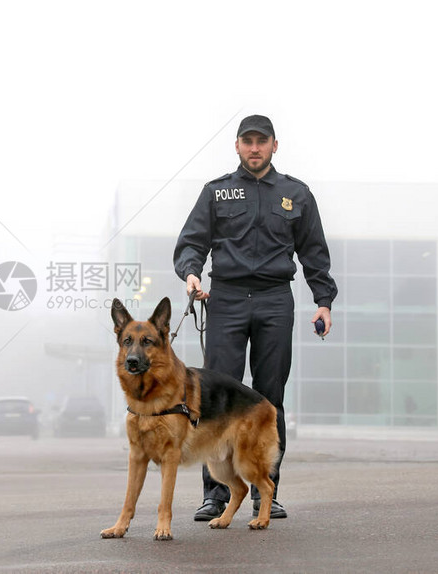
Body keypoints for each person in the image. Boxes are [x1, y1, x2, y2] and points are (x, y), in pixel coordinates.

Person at [173, 114, 337, 520]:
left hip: (274, 301)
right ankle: (215, 494)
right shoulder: (217, 193)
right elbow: (192, 242)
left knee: (269, 399)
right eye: (247, 141)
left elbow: (314, 252)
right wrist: (192, 274)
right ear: (237, 146)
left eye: (261, 141)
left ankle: (268, 492)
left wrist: (323, 301)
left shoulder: (296, 194)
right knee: (215, 399)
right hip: (226, 298)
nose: (254, 148)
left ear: (274, 146)